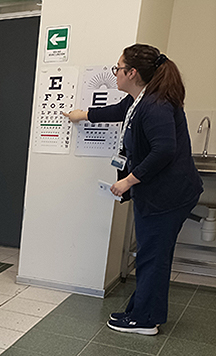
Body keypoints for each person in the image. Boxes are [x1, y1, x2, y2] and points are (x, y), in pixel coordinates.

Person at [64, 44, 203, 335]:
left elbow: (164, 150)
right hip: (161, 192)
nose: (115, 74)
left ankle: (145, 320)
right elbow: (116, 111)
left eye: (118, 68)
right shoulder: (139, 100)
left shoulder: (155, 106)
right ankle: (141, 310)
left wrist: (129, 180)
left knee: (152, 255)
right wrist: (82, 115)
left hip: (167, 196)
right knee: (152, 253)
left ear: (132, 72)